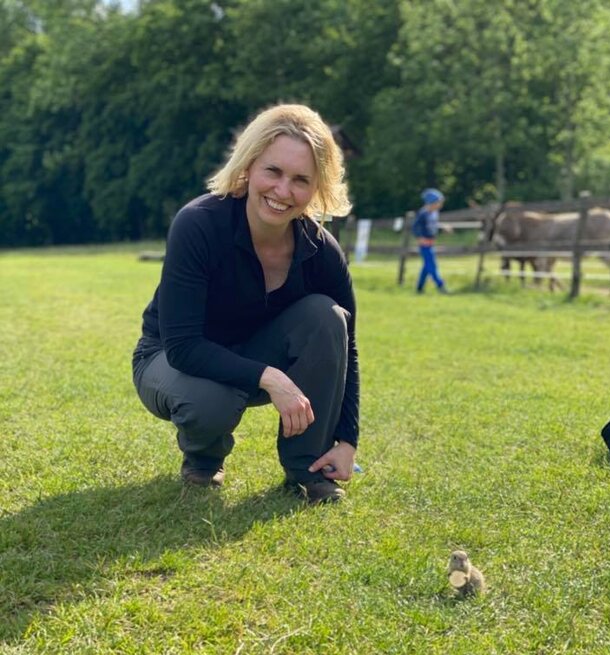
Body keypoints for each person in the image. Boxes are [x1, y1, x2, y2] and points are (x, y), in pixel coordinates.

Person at [132, 104, 359, 505]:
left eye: (300, 180)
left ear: (316, 188)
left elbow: (346, 347)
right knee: (210, 402)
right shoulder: (198, 224)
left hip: (253, 358)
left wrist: (347, 440)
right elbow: (183, 346)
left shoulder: (322, 250)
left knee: (327, 316)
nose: (283, 191)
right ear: (249, 166)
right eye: (273, 171)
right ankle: (203, 458)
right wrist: (271, 377)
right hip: (171, 358)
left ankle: (309, 467)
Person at [412, 187, 448, 294]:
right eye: (438, 202)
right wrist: (419, 238)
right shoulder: (423, 213)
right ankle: (441, 286)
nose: (440, 205)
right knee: (432, 266)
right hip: (424, 244)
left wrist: (442, 227)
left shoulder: (434, 213)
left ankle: (419, 288)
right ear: (431, 202)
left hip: (431, 243)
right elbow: (415, 227)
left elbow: (433, 225)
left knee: (426, 267)